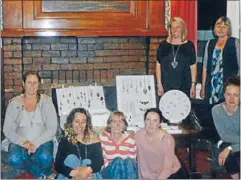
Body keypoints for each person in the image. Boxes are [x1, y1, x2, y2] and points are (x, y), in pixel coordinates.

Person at [3, 71, 57, 179]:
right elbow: (7, 130)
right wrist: (25, 143)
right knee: (14, 158)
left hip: (43, 141)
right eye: (29, 82)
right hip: (19, 142)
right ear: (23, 83)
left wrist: (36, 143)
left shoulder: (46, 101)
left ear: (39, 84)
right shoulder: (14, 103)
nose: (32, 86)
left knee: (45, 157)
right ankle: (40, 174)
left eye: (35, 83)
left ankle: (29, 163)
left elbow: (52, 128)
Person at [135, 108, 188, 179]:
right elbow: (138, 161)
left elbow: (167, 169)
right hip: (150, 175)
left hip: (171, 173)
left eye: (155, 121)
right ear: (144, 121)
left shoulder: (167, 139)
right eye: (148, 119)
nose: (151, 124)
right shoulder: (138, 136)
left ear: (160, 123)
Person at [55, 108, 104, 179]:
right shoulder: (65, 141)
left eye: (83, 121)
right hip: (70, 175)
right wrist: (75, 173)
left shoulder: (94, 139)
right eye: (77, 121)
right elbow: (58, 164)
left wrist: (86, 171)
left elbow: (99, 162)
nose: (80, 125)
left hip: (90, 175)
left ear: (87, 123)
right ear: (71, 122)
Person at [201, 16, 240, 105]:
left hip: (229, 86)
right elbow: (205, 67)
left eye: (224, 26)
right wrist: (203, 86)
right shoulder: (210, 43)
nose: (221, 29)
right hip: (211, 87)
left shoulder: (236, 42)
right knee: (211, 113)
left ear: (228, 29)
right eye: (218, 26)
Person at [156, 17, 197, 98]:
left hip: (184, 86)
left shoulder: (189, 46)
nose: (175, 30)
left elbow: (193, 66)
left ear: (183, 28)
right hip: (166, 86)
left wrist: (193, 85)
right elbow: (158, 65)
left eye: (178, 27)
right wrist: (159, 84)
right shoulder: (163, 45)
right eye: (172, 27)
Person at [212, 76, 240, 179]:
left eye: (236, 95)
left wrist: (230, 148)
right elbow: (224, 136)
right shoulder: (217, 110)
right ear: (224, 95)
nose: (231, 99)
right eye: (228, 94)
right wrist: (229, 147)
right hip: (226, 142)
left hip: (232, 145)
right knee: (229, 156)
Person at [99, 111, 138, 179]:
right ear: (109, 124)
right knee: (118, 161)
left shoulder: (130, 139)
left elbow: (132, 162)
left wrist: (122, 168)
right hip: (108, 171)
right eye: (114, 121)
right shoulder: (103, 138)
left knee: (129, 162)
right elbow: (102, 160)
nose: (118, 125)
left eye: (120, 121)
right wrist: (117, 165)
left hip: (126, 172)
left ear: (124, 125)